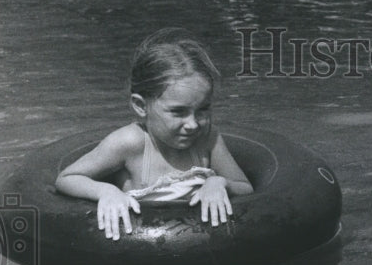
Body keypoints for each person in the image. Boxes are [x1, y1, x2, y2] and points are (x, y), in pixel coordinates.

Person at [55, 28, 253, 240]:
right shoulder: (129, 143)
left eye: (203, 109)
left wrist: (219, 183)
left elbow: (245, 188)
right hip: (140, 244)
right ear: (141, 106)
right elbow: (67, 178)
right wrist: (106, 192)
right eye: (178, 112)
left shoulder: (208, 139)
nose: (193, 124)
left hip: (197, 242)